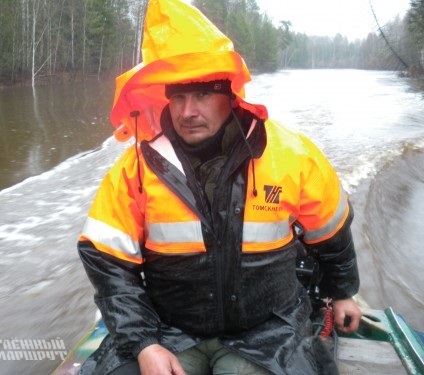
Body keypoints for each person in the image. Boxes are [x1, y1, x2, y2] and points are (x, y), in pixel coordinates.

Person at [77, 0, 362, 374]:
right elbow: (109, 265)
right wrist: (145, 344)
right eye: (178, 96)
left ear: (230, 95)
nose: (187, 111)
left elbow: (331, 231)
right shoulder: (136, 168)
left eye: (203, 95)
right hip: (170, 329)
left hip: (267, 329)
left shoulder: (293, 156)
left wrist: (341, 293)